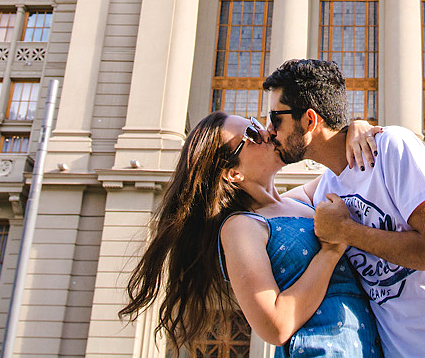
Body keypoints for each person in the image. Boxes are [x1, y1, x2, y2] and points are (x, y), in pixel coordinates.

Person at [265, 58, 425, 358]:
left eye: (275, 119)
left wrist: (346, 231)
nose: (269, 130)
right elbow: (265, 202)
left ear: (310, 121)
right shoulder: (324, 191)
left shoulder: (391, 148)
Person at [119, 111, 383, 358]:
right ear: (233, 173)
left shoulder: (301, 200)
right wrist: (330, 251)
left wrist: (354, 128)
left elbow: (344, 166)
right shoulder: (240, 226)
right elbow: (274, 326)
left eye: (258, 124)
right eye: (252, 135)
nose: (267, 132)